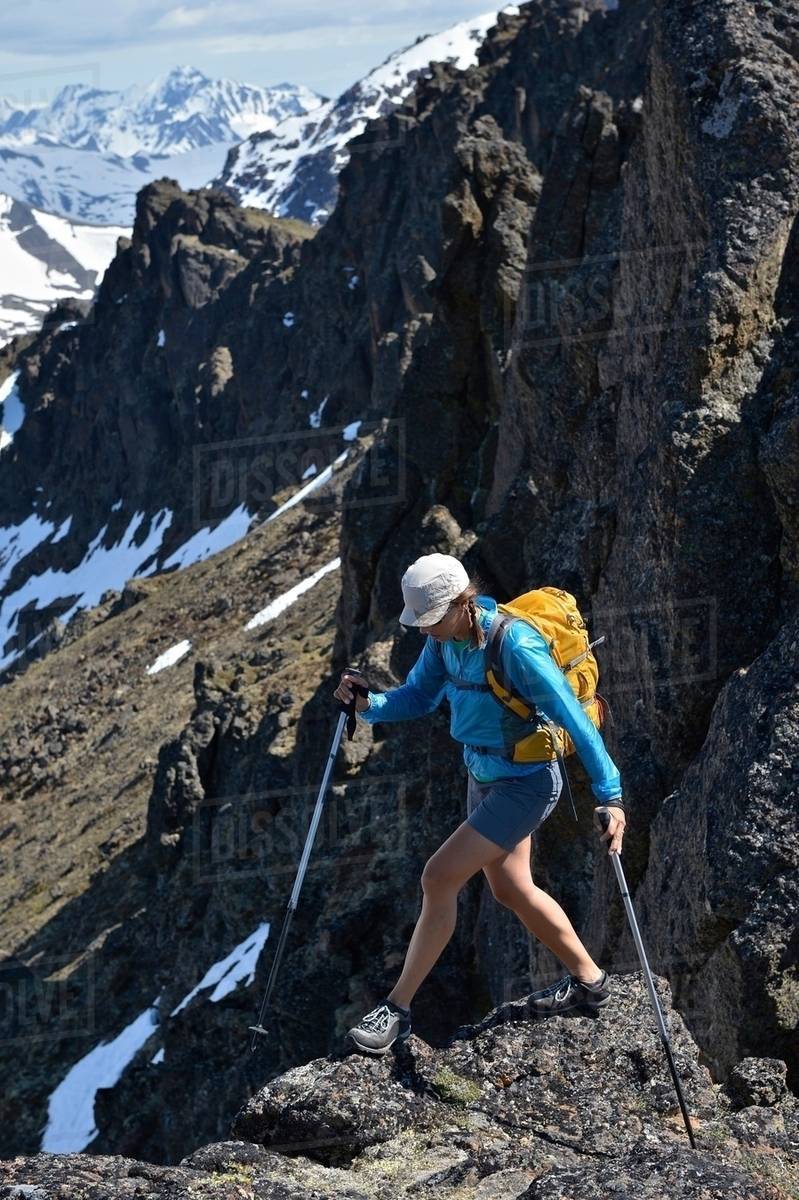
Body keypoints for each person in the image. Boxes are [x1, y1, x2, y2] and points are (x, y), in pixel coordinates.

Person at [332, 552, 626, 1055]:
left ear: (462, 603)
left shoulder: (516, 646)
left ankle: (397, 1010)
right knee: (512, 889)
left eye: (430, 621)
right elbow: (418, 698)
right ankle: (589, 982)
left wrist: (611, 795)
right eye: (419, 624)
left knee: (438, 877)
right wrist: (369, 706)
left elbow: (576, 722)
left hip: (525, 785)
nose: (425, 632)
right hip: (485, 776)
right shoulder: (445, 643)